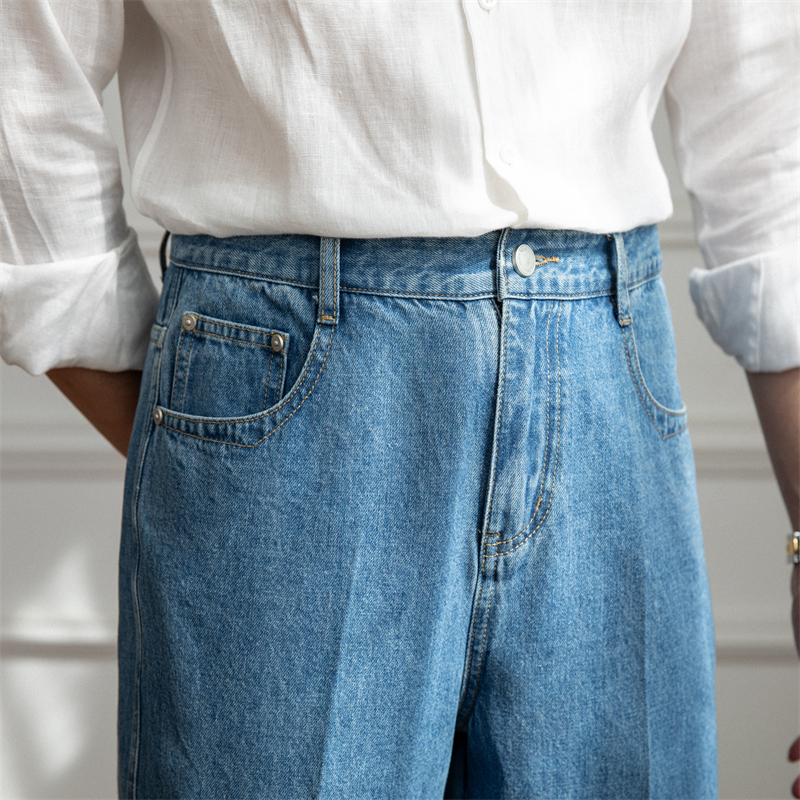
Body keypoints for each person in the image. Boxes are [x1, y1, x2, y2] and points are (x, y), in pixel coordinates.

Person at [2, 2, 798, 798]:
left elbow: (765, 134)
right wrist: (218, 446)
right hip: (296, 379)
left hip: (608, 388)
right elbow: (24, 86)